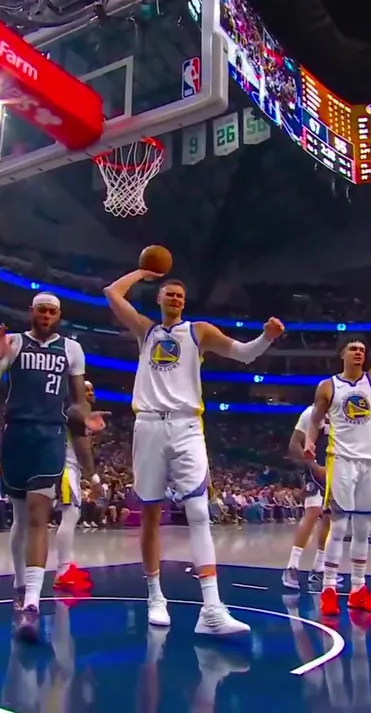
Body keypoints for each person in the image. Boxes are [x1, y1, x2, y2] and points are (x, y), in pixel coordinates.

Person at [104, 269, 284, 635]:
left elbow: (244, 354)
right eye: (169, 294)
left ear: (184, 303)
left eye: (180, 296)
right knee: (150, 514)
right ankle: (155, 596)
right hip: (149, 425)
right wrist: (143, 272)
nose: (175, 299)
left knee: (199, 510)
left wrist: (266, 337)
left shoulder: (198, 331)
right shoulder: (146, 331)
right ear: (159, 299)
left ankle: (212, 609)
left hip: (186, 426)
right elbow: (112, 292)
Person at [0, 293, 99, 642]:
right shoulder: (14, 343)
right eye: (41, 310)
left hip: (50, 436)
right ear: (32, 311)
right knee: (20, 518)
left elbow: (77, 401)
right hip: (17, 435)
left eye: (52, 311)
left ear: (58, 315)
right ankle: (20, 585)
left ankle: (32, 601)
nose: (46, 315)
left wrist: (86, 418)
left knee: (37, 515)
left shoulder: (72, 349)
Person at [303, 279, 371, 618]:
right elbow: (315, 420)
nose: (359, 352)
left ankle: (359, 588)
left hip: (370, 462)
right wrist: (309, 442)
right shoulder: (328, 386)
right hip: (341, 460)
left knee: (363, 528)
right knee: (339, 525)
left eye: (362, 349)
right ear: (342, 355)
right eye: (353, 349)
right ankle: (329, 589)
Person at [53, 380, 99, 593]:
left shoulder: (82, 413)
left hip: (71, 468)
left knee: (73, 514)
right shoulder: (76, 412)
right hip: (66, 468)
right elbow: (82, 448)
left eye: (91, 389)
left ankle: (66, 566)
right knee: (70, 515)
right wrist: (94, 477)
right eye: (85, 389)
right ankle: (62, 572)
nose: (89, 392)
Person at [281, 404, 333, 590]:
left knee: (329, 517)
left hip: (335, 469)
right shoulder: (311, 413)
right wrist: (314, 466)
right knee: (312, 512)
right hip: (315, 468)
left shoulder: (341, 414)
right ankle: (292, 567)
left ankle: (319, 569)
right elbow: (294, 444)